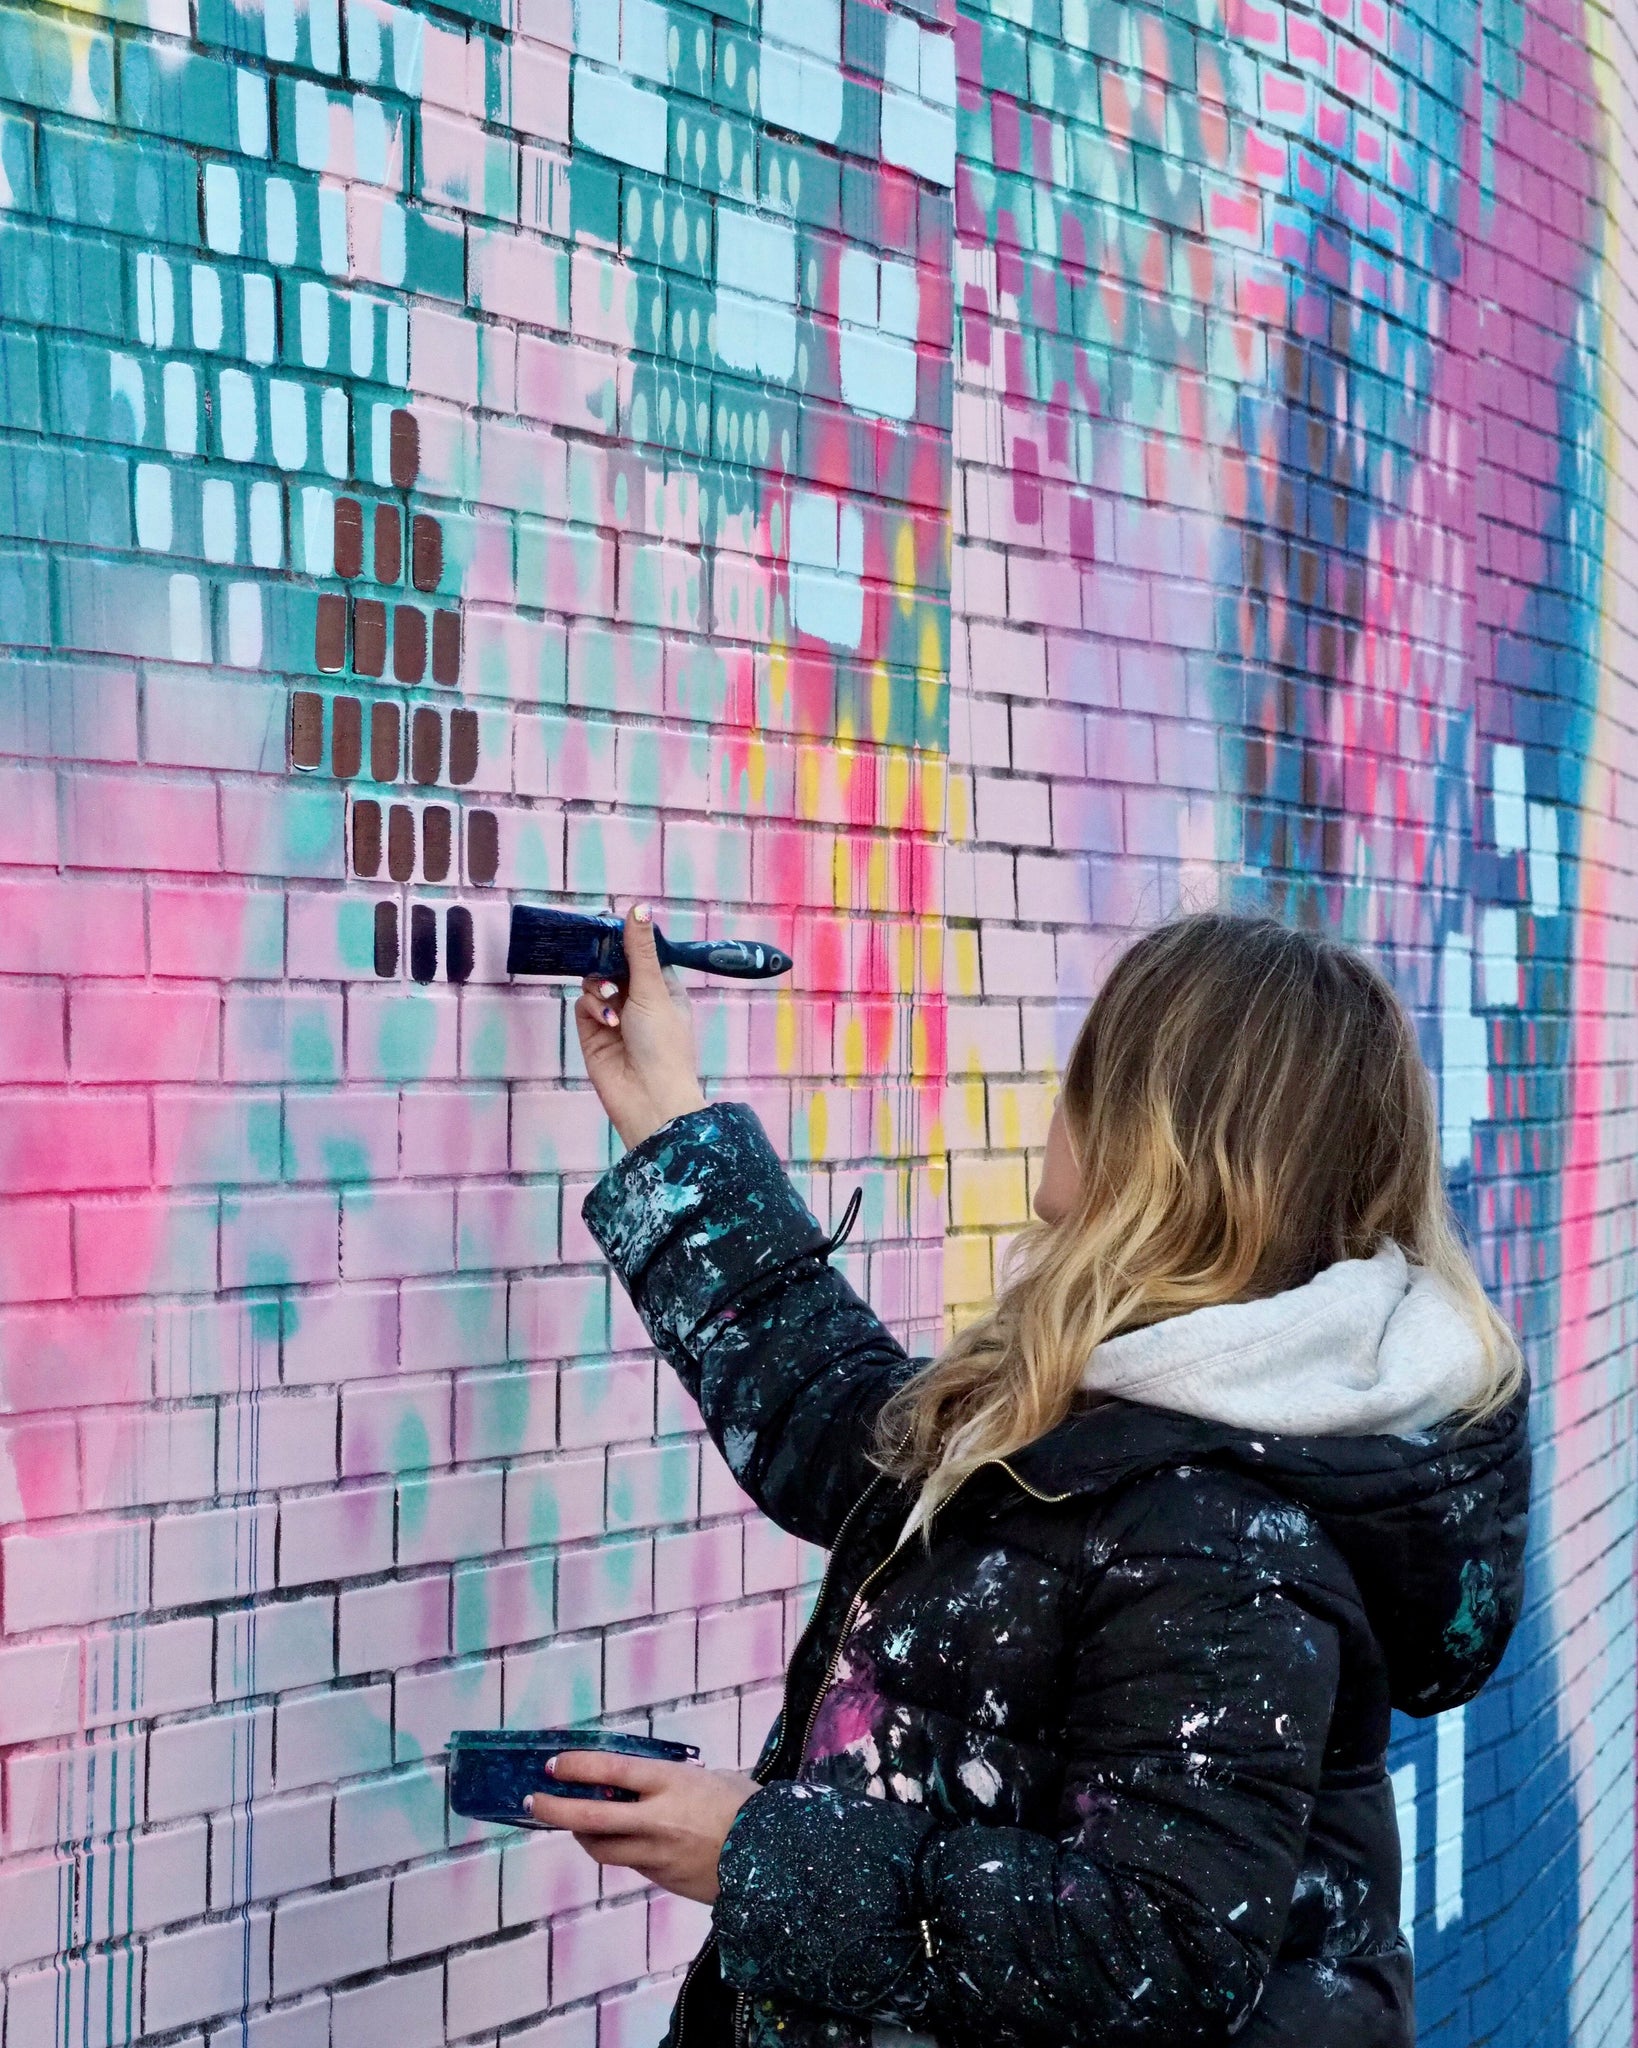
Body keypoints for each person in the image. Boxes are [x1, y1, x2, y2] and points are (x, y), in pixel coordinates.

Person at [525, 905, 1530, 2048]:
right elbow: (840, 1422)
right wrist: (671, 1119)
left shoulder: (1223, 1530)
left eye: (1089, 1069)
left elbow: (1158, 1951)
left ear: (1165, 1135)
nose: (1062, 1094)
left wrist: (761, 1850)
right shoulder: (1152, 1408)